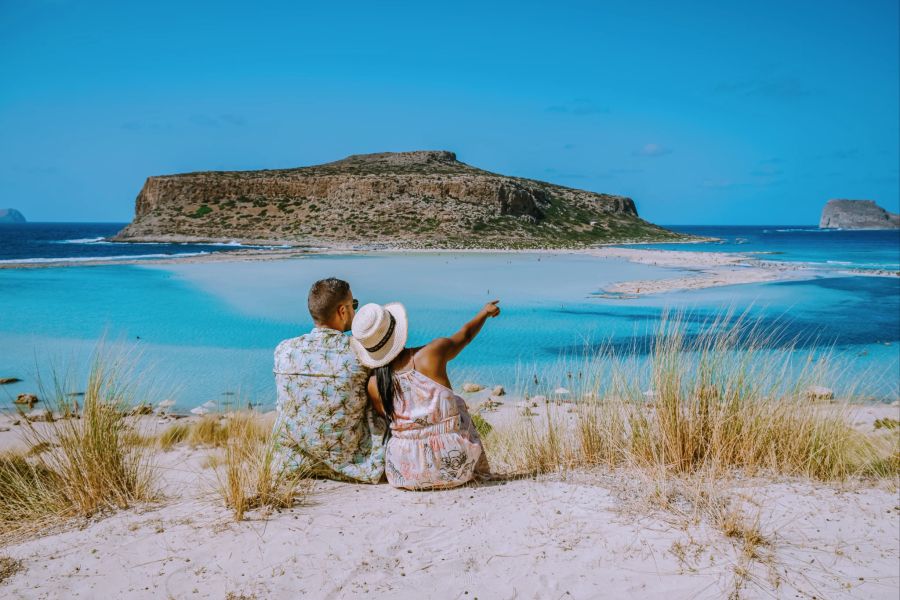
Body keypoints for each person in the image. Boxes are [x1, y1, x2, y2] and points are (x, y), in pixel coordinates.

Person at [349, 300, 499, 489]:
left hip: (404, 472)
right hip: (455, 465)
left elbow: (387, 419)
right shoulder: (432, 353)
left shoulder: (373, 384)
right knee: (457, 403)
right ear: (397, 331)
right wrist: (485, 312)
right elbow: (466, 335)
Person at [272, 278, 385, 483]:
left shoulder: (283, 350)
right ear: (342, 311)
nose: (355, 312)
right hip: (352, 463)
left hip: (291, 463)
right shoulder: (359, 353)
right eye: (354, 306)